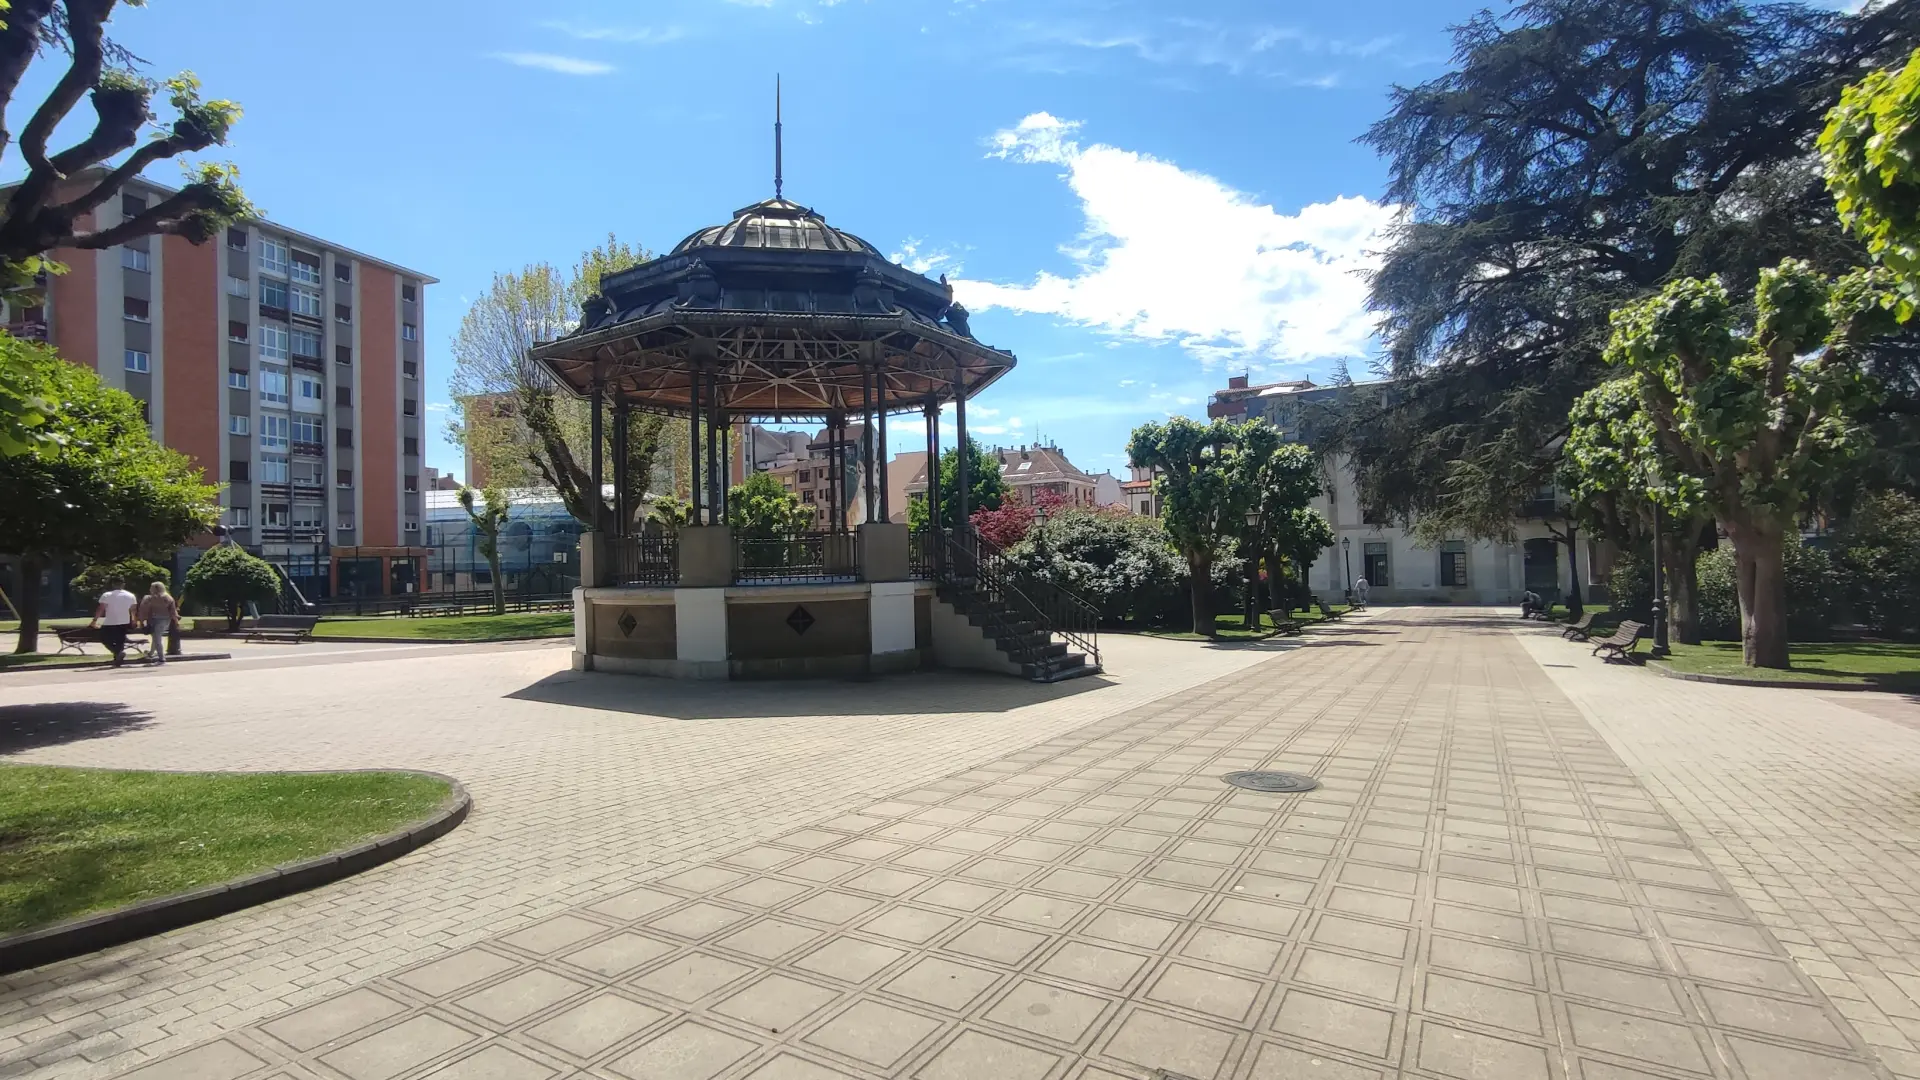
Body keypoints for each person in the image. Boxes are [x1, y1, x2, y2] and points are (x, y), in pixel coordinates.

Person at [90, 578, 139, 667]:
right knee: (120, 641)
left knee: (103, 637)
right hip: (124, 621)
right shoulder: (130, 595)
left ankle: (117, 653)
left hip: (110, 621)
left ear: (113, 584)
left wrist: (95, 620)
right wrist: (133, 620)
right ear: (123, 584)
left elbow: (101, 608)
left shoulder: (107, 595)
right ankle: (118, 658)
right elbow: (133, 610)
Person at [137, 581, 178, 666]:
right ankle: (151, 654)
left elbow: (143, 610)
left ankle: (161, 658)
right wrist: (176, 621)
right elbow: (173, 611)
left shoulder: (149, 598)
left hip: (154, 619)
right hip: (165, 619)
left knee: (157, 638)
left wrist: (141, 621)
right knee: (156, 638)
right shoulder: (168, 598)